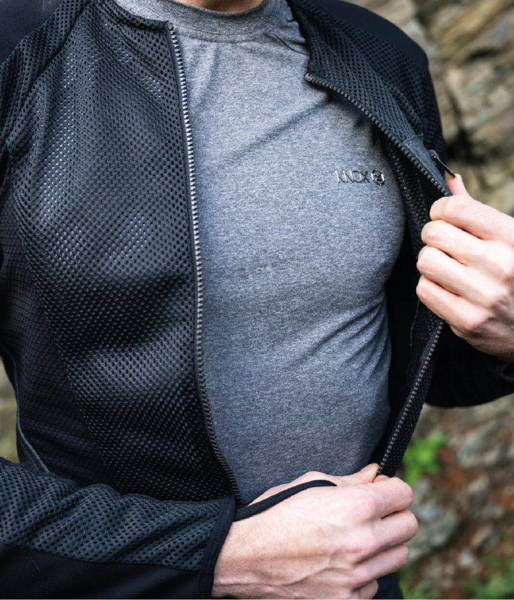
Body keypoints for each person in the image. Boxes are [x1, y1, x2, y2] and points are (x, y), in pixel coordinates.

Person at [0, 0, 513, 597]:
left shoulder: (379, 54)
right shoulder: (20, 48)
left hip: (357, 580)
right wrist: (220, 557)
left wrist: (503, 333)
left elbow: (418, 357)